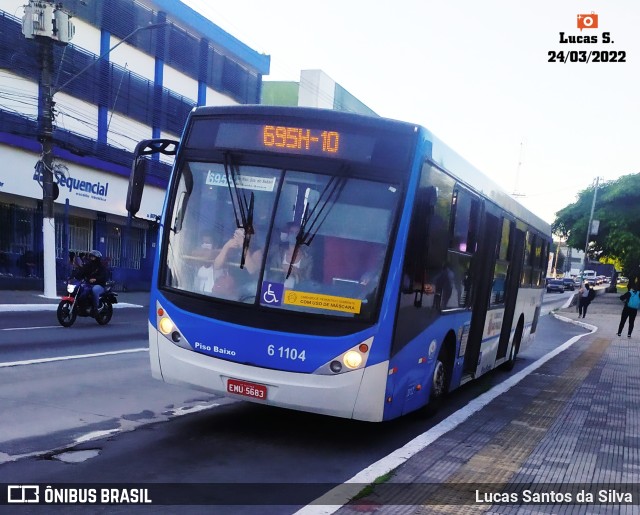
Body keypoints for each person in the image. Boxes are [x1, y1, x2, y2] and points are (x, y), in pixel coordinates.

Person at [273, 222, 313, 289]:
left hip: (297, 295)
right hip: (276, 292)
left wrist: (297, 272)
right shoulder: (278, 254)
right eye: (291, 232)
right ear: (288, 234)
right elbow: (270, 274)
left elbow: (308, 284)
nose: (294, 235)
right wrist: (281, 269)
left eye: (297, 233)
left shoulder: (308, 259)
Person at [77, 249, 109, 315]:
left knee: (94, 290)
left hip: (99, 285)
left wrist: (96, 279)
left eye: (93, 257)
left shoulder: (101, 267)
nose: (92, 258)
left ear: (97, 258)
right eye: (91, 257)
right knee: (80, 288)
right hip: (88, 284)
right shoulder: (88, 265)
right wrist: (73, 277)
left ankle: (95, 308)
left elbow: (104, 277)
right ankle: (82, 306)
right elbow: (81, 272)